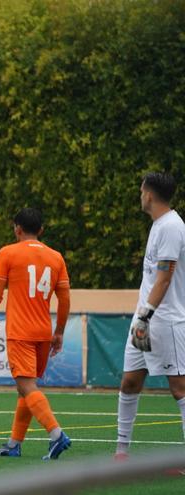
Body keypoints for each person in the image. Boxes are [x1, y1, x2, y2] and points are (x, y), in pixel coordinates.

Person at [0, 207, 71, 460]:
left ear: (17, 229)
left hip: (20, 332)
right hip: (43, 332)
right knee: (25, 388)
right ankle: (14, 443)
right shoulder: (56, 257)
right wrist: (59, 332)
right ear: (41, 230)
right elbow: (64, 299)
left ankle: (56, 434)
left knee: (26, 385)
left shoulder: (8, 253)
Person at [115, 172, 185, 461]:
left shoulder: (171, 226)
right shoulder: (158, 225)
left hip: (165, 321)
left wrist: (145, 315)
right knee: (130, 382)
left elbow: (164, 278)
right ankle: (121, 453)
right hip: (144, 319)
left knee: (180, 389)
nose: (140, 195)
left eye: (141, 190)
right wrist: (141, 317)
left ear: (150, 194)